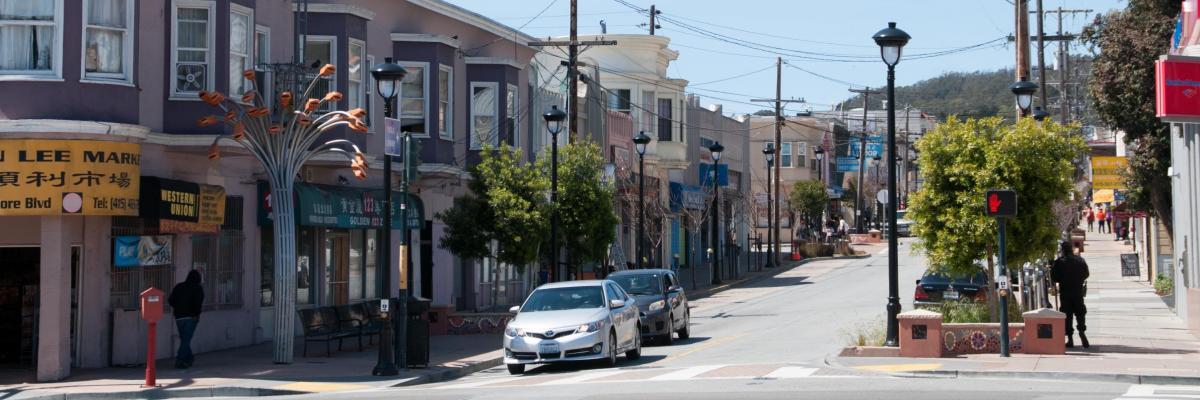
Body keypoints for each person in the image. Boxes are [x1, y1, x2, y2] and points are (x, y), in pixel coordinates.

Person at [1051, 241, 1090, 349]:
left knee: (1067, 315)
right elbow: (1086, 273)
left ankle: (1070, 339)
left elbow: (1054, 277)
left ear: (1062, 250)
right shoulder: (1080, 260)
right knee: (1080, 312)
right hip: (1077, 291)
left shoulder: (1059, 262)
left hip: (1065, 291)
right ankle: (1081, 330)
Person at [168, 270, 205, 368]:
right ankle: (180, 360)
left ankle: (189, 357)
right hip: (191, 317)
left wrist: (178, 307)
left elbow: (171, 300)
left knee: (184, 339)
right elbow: (198, 303)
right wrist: (196, 314)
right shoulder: (198, 288)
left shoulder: (179, 287)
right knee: (186, 340)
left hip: (179, 317)